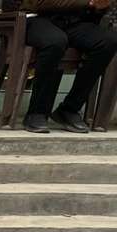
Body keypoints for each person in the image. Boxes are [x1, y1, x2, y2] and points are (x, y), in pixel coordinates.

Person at [22, 0, 117, 133]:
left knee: (107, 42)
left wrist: (100, 6)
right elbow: (39, 3)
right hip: (38, 18)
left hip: (72, 22)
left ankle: (69, 109)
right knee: (55, 41)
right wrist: (88, 3)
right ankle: (37, 112)